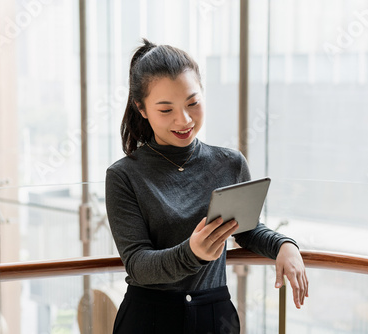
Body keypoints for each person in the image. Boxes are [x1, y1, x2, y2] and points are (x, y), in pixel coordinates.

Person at [105, 38, 308, 334]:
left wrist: (284, 246)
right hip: (149, 318)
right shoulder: (123, 176)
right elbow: (137, 264)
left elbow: (247, 230)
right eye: (165, 110)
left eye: (193, 103)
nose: (184, 119)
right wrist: (192, 253)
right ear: (142, 108)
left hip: (215, 315)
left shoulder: (230, 163)